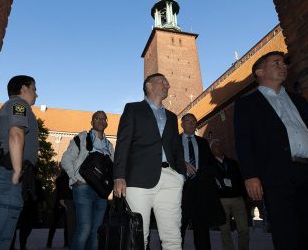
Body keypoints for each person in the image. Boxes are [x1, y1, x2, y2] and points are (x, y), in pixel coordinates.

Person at [234, 51, 308, 250]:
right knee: (286, 232)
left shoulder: (299, 100)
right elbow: (243, 141)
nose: (284, 66)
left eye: (284, 63)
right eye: (276, 63)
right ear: (260, 71)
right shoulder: (247, 104)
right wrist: (250, 175)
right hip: (276, 174)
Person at [113, 73, 187, 250]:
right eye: (162, 82)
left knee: (173, 237)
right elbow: (123, 143)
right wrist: (119, 176)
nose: (167, 85)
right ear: (149, 86)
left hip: (171, 179)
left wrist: (181, 175)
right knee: (138, 237)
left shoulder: (171, 117)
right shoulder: (133, 109)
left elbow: (177, 148)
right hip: (139, 180)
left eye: (167, 83)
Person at [0, 75, 39, 250]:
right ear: (23, 89)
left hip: (5, 174)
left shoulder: (16, 106)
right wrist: (17, 171)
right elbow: (16, 133)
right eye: (34, 89)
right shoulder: (19, 105)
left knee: (0, 235)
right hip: (7, 175)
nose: (37, 94)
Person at [61, 110, 114, 250]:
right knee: (84, 228)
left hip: (101, 193)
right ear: (92, 122)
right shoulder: (82, 138)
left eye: (104, 118)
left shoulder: (109, 145)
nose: (101, 120)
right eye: (97, 118)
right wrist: (75, 178)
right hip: (83, 188)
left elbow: (113, 169)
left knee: (96, 232)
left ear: (107, 123)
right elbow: (66, 159)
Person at [180, 113, 224, 250]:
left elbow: (211, 163)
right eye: (187, 121)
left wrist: (214, 179)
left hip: (200, 189)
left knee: (202, 230)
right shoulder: (174, 141)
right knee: (177, 227)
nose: (191, 123)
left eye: (193, 121)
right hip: (180, 189)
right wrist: (182, 164)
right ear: (182, 124)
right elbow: (168, 160)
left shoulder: (203, 142)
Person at [210, 139, 249, 250]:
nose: (218, 147)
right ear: (211, 150)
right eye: (215, 146)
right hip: (222, 200)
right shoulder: (210, 165)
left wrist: (243, 195)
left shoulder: (232, 163)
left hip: (237, 199)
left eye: (220, 145)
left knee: (244, 229)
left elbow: (240, 180)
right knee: (225, 230)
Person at [46, 169, 75, 248]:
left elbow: (59, 191)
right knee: (66, 224)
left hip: (61, 202)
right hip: (65, 202)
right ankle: (66, 242)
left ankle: (50, 242)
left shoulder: (60, 179)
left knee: (56, 223)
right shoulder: (69, 179)